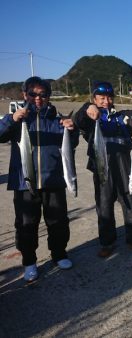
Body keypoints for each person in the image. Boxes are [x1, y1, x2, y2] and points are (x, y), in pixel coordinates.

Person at [0, 76, 78, 282]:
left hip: (53, 181)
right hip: (24, 182)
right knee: (26, 225)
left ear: (48, 97)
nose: (38, 98)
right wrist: (11, 119)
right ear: (25, 95)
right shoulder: (17, 120)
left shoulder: (56, 119)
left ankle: (59, 254)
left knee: (58, 222)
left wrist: (72, 129)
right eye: (33, 94)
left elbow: (72, 144)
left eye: (43, 95)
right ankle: (29, 262)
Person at [72, 81, 132, 257]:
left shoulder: (121, 117)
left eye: (109, 98)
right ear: (94, 98)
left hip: (125, 167)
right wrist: (88, 108)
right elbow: (78, 120)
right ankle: (107, 243)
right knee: (104, 207)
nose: (106, 101)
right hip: (102, 167)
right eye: (101, 98)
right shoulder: (91, 118)